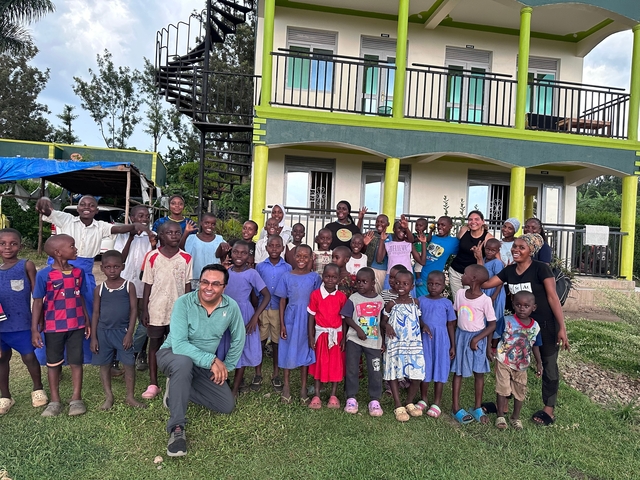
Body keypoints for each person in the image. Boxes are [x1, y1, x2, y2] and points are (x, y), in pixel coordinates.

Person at [35, 195, 149, 364]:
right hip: (59, 271)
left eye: (91, 205)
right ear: (77, 207)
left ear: (96, 209)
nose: (86, 207)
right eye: (82, 204)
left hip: (84, 274)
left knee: (89, 310)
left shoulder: (101, 226)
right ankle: (52, 357)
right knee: (53, 310)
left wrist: (137, 226)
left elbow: (121, 229)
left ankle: (89, 352)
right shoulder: (66, 219)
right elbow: (46, 210)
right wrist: (43, 199)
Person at [157, 263, 246, 457]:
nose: (208, 287)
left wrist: (227, 367)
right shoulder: (184, 302)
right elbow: (179, 345)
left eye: (215, 284)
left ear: (224, 287)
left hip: (202, 364)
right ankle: (177, 429)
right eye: (204, 282)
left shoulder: (231, 307)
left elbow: (239, 338)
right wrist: (212, 360)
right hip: (172, 355)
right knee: (183, 363)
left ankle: (175, 392)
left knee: (226, 405)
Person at [482, 233, 569, 426]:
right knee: (511, 363)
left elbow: (553, 298)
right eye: (514, 246)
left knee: (548, 365)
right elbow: (487, 283)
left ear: (531, 251)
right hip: (517, 329)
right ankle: (504, 405)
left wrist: (562, 327)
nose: (515, 250)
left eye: (521, 247)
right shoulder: (509, 271)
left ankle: (549, 408)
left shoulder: (541, 269)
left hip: (544, 325)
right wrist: (474, 276)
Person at [31, 234, 90, 417]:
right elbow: (38, 302)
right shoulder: (44, 275)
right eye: (72, 246)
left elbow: (80, 296)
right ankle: (55, 401)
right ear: (58, 252)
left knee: (76, 361)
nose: (75, 249)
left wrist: (86, 320)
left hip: (76, 325)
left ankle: (76, 398)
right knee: (53, 363)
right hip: (53, 327)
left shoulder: (78, 272)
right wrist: (34, 329)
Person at [141, 221, 193, 400]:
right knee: (154, 345)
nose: (174, 235)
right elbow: (147, 284)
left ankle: (174, 380)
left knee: (177, 347)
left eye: (177, 232)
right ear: (161, 236)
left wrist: (188, 310)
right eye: (169, 233)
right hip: (156, 309)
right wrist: (145, 309)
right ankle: (153, 383)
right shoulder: (152, 257)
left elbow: (188, 286)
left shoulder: (186, 258)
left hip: (177, 312)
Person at [89, 250, 145, 410]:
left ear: (122, 267)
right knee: (105, 364)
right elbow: (95, 313)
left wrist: (129, 334)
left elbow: (134, 310)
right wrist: (94, 337)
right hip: (103, 332)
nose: (112, 270)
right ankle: (109, 396)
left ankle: (130, 397)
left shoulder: (129, 286)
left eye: (116, 266)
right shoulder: (99, 289)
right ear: (102, 268)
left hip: (122, 332)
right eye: (108, 267)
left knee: (128, 363)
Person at [0, 228, 47, 415]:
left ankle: (37, 389)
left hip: (22, 324)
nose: (7, 247)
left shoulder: (26, 265)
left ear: (20, 246)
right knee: (2, 358)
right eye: (2, 243)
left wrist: (38, 322)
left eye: (13, 243)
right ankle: (5, 396)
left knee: (29, 357)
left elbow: (37, 296)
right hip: (1, 327)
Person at [490, 290, 543, 430]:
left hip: (522, 365)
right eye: (518, 305)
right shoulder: (506, 321)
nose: (522, 308)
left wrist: (539, 363)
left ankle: (515, 417)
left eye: (526, 306)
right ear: (513, 304)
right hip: (504, 361)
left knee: (520, 391)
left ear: (534, 307)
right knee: (503, 388)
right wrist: (492, 349)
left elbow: (536, 345)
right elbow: (495, 335)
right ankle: (500, 416)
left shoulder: (535, 327)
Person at [450, 264, 496, 425]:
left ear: (474, 279)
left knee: (479, 372)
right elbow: (455, 317)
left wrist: (477, 339)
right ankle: (455, 407)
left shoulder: (485, 300)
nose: (462, 275)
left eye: (465, 273)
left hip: (478, 339)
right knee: (458, 372)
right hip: (462, 337)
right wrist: (453, 344)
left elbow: (492, 325)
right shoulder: (460, 294)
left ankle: (477, 407)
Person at [275, 244, 320, 404]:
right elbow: (282, 301)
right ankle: (286, 387)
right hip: (291, 318)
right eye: (298, 256)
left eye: (305, 256)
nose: (301, 259)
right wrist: (282, 324)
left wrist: (314, 326)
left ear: (311, 258)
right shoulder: (287, 276)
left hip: (308, 320)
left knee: (305, 351)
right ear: (294, 257)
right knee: (287, 349)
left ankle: (303, 388)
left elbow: (317, 302)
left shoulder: (315, 278)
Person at [225, 240, 271, 397]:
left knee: (241, 350)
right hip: (226, 314)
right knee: (225, 347)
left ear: (248, 255)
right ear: (231, 253)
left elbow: (266, 295)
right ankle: (223, 381)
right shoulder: (226, 271)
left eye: (243, 253)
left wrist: (255, 317)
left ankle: (235, 388)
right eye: (236, 252)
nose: (239, 255)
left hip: (244, 315)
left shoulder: (252, 273)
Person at [114, 205, 155, 372]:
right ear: (131, 218)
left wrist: (153, 244)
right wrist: (130, 237)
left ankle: (139, 353)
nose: (143, 219)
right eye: (139, 216)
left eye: (146, 216)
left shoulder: (153, 236)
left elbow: (155, 261)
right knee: (123, 321)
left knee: (144, 322)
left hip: (144, 286)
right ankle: (117, 356)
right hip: (125, 283)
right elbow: (119, 259)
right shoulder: (123, 235)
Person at [381, 270, 425, 422]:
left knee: (417, 373)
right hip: (395, 343)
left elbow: (418, 320)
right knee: (393, 372)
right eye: (398, 282)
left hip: (413, 344)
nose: (401, 286)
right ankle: (398, 405)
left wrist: (424, 326)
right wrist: (386, 326)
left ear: (412, 286)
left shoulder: (415, 303)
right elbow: (382, 321)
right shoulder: (391, 304)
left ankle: (409, 402)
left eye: (405, 284)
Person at [341, 268, 385, 417]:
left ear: (373, 283)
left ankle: (374, 400)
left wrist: (383, 341)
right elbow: (346, 316)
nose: (360, 284)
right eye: (358, 281)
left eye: (364, 282)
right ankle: (351, 397)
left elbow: (382, 322)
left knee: (375, 371)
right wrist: (358, 330)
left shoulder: (380, 301)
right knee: (352, 368)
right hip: (354, 340)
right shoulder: (354, 298)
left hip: (374, 343)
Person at [307, 263, 347, 409]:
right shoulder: (316, 295)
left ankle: (333, 395)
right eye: (327, 276)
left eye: (334, 277)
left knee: (335, 364)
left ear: (338, 279)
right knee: (320, 363)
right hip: (321, 334)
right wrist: (311, 336)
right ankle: (317, 394)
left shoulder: (341, 297)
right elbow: (311, 316)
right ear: (322, 277)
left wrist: (344, 338)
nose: (330, 280)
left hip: (336, 335)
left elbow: (344, 319)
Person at [417, 270, 456, 419]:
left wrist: (452, 345)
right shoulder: (420, 300)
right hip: (425, 339)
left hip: (442, 341)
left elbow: (450, 325)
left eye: (437, 284)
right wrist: (423, 325)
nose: (433, 287)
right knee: (424, 367)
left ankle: (437, 402)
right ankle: (424, 398)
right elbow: (417, 319)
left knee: (440, 368)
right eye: (430, 284)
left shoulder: (447, 303)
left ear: (444, 286)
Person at [255, 235, 291, 393]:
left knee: (277, 343)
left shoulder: (288, 268)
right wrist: (256, 312)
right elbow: (256, 291)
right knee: (260, 342)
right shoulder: (260, 267)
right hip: (262, 309)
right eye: (271, 245)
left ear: (283, 248)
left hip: (278, 309)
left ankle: (276, 374)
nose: (274, 248)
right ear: (266, 247)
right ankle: (258, 373)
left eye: (278, 246)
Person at [449, 210, 494, 297]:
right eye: (470, 219)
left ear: (482, 221)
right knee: (457, 300)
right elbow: (457, 240)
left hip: (472, 276)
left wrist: (479, 255)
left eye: (476, 219)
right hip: (455, 272)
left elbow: (496, 256)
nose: (473, 222)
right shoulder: (464, 230)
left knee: (469, 301)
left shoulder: (488, 237)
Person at [377, 217, 426, 290]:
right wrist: (381, 241)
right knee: (389, 299)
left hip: (407, 278)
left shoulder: (409, 244)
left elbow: (422, 262)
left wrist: (423, 243)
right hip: (391, 278)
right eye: (399, 228)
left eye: (404, 229)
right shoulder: (388, 244)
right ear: (394, 229)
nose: (402, 231)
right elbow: (379, 259)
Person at [416, 216, 459, 298]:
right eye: (438, 224)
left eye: (443, 225)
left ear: (450, 226)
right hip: (419, 275)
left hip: (433, 279)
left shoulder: (453, 242)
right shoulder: (431, 237)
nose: (439, 227)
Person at [183, 213, 226, 280]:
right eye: (206, 223)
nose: (209, 226)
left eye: (213, 224)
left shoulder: (219, 239)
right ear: (201, 223)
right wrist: (186, 232)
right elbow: (181, 249)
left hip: (213, 278)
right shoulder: (192, 238)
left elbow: (222, 256)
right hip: (195, 277)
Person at [476, 238, 506, 331]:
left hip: (495, 293)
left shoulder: (497, 263)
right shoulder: (483, 259)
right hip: (485, 292)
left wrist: (494, 297)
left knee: (494, 316)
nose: (489, 252)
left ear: (497, 251)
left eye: (493, 250)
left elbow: (500, 281)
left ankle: (493, 342)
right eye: (487, 249)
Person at [363, 214, 391, 293]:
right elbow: (362, 251)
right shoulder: (370, 234)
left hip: (384, 270)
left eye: (382, 222)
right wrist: (365, 244)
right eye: (377, 222)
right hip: (370, 268)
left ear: (388, 224)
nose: (379, 224)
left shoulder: (390, 237)